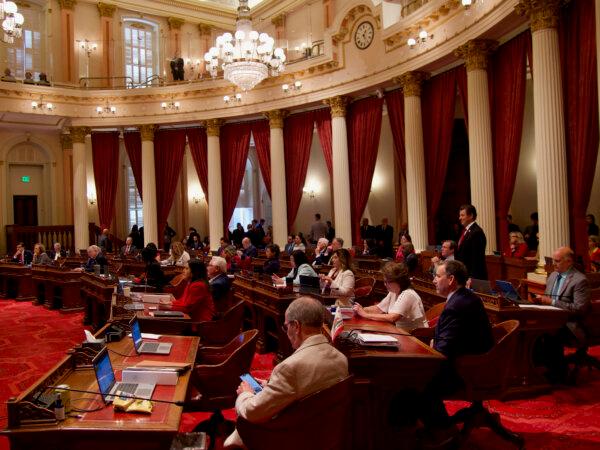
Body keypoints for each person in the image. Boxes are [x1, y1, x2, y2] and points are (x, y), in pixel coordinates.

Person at [224, 296, 349, 448]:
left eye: (285, 327)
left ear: (296, 326)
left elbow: (252, 412)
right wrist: (270, 386)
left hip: (289, 438)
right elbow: (304, 391)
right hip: (324, 435)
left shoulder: (289, 368)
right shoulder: (341, 359)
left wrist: (245, 393)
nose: (286, 332)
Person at [415, 260, 493, 437]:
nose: (434, 280)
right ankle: (439, 424)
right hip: (468, 363)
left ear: (451, 280)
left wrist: (431, 347)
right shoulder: (463, 297)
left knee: (415, 379)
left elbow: (443, 351)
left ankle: (441, 430)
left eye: (437, 276)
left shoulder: (457, 305)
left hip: (468, 371)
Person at [531, 247, 590, 382]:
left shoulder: (580, 280)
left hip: (571, 324)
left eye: (557, 261)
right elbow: (547, 298)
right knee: (530, 331)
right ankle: (537, 368)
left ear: (569, 262)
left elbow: (579, 309)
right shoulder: (552, 276)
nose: (554, 264)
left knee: (550, 333)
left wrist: (551, 302)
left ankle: (557, 373)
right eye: (553, 261)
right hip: (550, 319)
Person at [353, 262, 427, 330]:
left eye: (387, 282)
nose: (385, 284)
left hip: (415, 337)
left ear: (398, 281)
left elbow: (392, 317)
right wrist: (360, 309)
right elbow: (378, 309)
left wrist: (364, 314)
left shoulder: (408, 294)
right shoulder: (393, 292)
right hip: (401, 332)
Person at [454, 204, 487, 281]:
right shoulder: (464, 231)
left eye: (462, 215)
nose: (459, 218)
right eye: (459, 215)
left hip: (472, 277)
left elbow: (477, 258)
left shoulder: (477, 232)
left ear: (471, 216)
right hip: (463, 274)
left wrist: (472, 277)